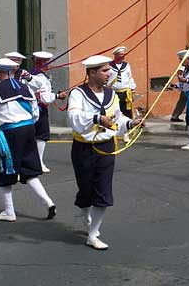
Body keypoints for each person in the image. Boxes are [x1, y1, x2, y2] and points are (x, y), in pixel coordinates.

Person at [67, 55, 143, 250]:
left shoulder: (112, 95)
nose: (110, 73)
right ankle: (85, 214)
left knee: (103, 191)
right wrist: (97, 119)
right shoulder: (78, 93)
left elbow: (118, 120)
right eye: (105, 71)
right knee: (85, 189)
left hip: (107, 147)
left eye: (109, 70)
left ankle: (92, 235)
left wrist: (130, 123)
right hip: (84, 148)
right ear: (92, 73)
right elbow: (74, 116)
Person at [0, 58, 56, 222]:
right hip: (28, 130)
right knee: (29, 170)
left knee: (5, 171)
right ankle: (49, 202)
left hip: (10, 133)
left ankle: (9, 212)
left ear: (0, 72)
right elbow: (35, 113)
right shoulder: (26, 88)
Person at [27, 51, 68, 173]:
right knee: (41, 136)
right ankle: (38, 162)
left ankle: (31, 161)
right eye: (46, 62)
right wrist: (58, 96)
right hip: (39, 109)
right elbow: (44, 97)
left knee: (33, 136)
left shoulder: (32, 74)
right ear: (42, 63)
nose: (49, 64)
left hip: (31, 108)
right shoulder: (40, 77)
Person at [108, 47, 137, 143]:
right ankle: (113, 131)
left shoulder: (126, 65)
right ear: (115, 55)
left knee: (127, 112)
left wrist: (132, 89)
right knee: (115, 112)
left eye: (123, 54)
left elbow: (130, 77)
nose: (123, 56)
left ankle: (126, 134)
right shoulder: (110, 66)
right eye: (120, 54)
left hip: (125, 91)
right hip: (114, 92)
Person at [170, 49, 189, 122]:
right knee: (183, 102)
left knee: (183, 102)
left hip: (187, 86)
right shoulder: (183, 66)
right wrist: (178, 85)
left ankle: (175, 116)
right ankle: (175, 116)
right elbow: (180, 76)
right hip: (186, 87)